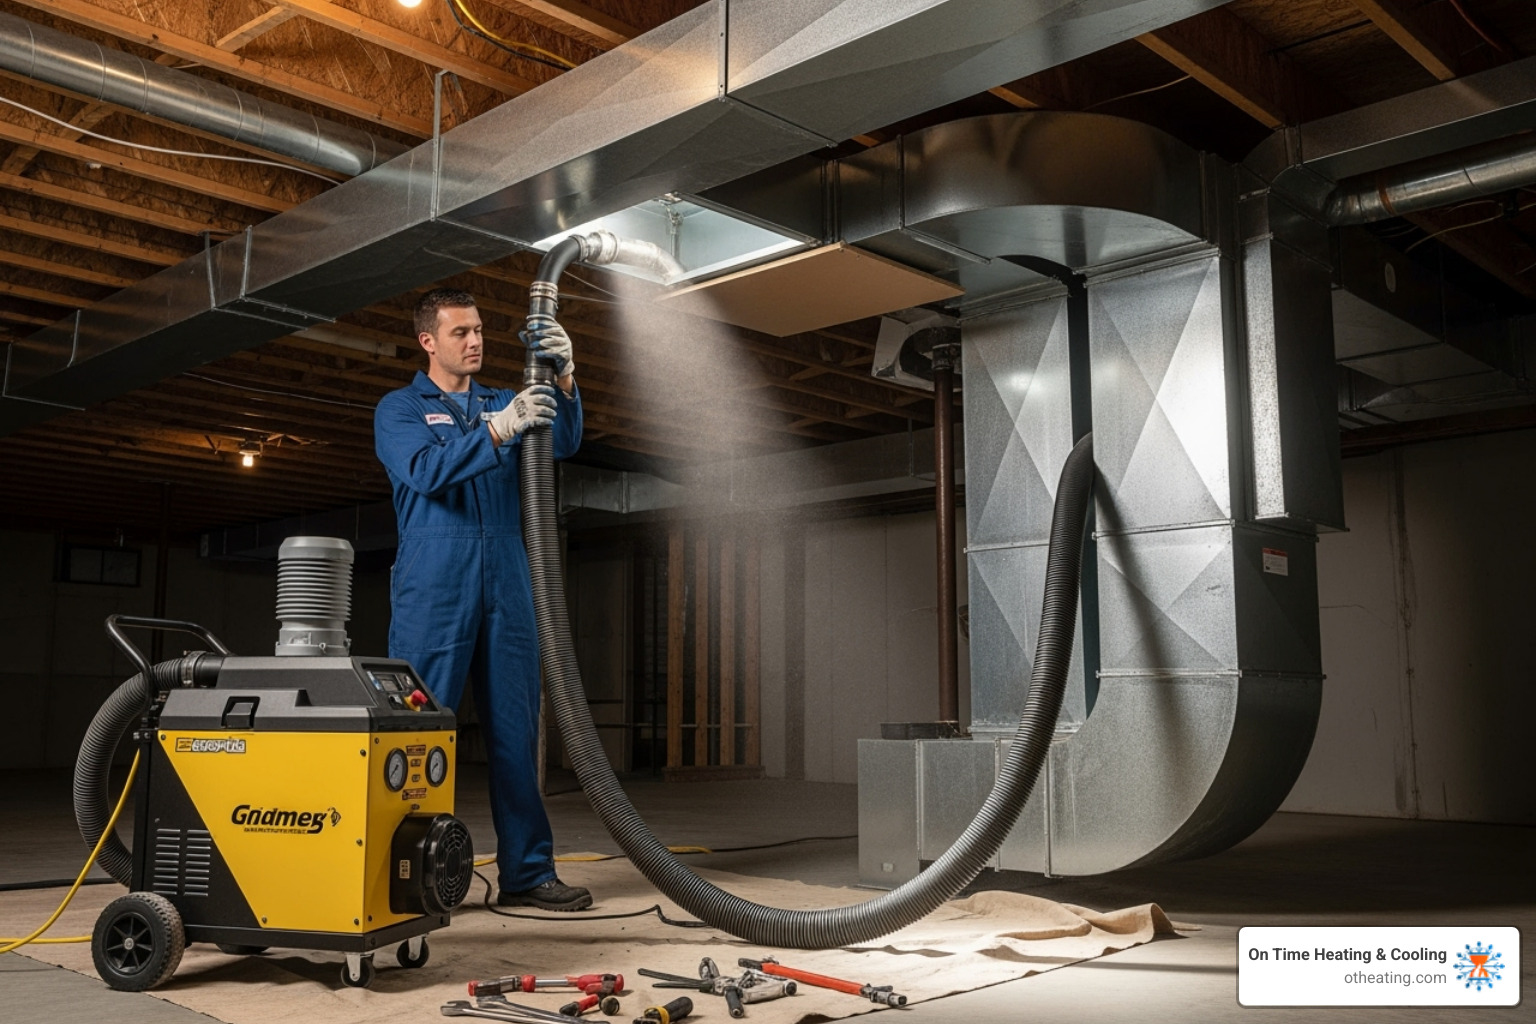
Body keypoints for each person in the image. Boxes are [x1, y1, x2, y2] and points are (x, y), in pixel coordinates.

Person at [374, 287, 591, 911]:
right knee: (417, 739)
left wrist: (567, 375)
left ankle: (527, 873)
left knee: (515, 733)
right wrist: (497, 431)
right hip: (433, 586)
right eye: (460, 332)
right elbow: (424, 471)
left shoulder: (506, 398)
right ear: (428, 341)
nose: (474, 341)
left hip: (508, 579)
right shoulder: (400, 410)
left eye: (478, 331)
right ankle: (408, 877)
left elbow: (564, 441)